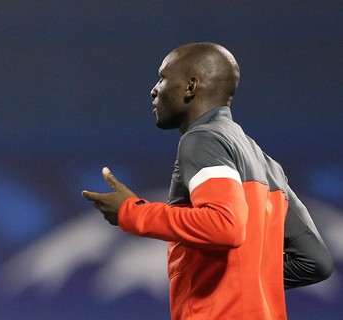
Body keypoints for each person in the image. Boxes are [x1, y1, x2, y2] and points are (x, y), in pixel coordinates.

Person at [81, 42, 333, 319]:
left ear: (190, 87)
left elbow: (226, 225)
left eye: (163, 77)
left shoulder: (202, 139)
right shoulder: (268, 164)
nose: (154, 90)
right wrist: (243, 281)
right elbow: (315, 262)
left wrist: (132, 212)